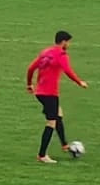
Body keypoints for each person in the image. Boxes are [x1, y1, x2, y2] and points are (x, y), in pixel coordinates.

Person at [26, 30, 89, 164]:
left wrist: (29, 84)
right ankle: (42, 155)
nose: (69, 45)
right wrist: (79, 82)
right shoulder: (61, 54)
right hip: (50, 93)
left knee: (58, 113)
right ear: (64, 42)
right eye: (68, 42)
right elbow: (68, 70)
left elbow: (31, 68)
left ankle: (64, 145)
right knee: (51, 122)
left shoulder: (45, 52)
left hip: (40, 92)